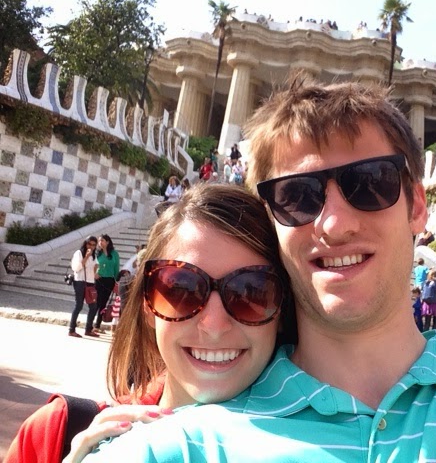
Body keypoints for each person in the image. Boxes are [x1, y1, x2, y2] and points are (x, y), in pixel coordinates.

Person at [85, 81, 436, 462]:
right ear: (271, 224)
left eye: (369, 184)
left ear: (417, 206)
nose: (334, 223)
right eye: (297, 197)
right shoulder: (177, 447)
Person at [5, 184, 295, 463]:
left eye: (251, 291)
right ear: (148, 305)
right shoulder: (53, 435)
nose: (214, 325)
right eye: (181, 288)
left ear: (282, 311)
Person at [68, 236, 99, 338]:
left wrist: (96, 270)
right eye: (89, 244)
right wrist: (86, 257)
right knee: (79, 305)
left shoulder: (94, 255)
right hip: (80, 281)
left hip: (90, 282)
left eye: (94, 245)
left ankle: (88, 329)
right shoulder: (79, 253)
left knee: (93, 306)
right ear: (85, 243)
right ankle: (71, 329)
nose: (91, 247)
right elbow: (76, 268)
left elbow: (95, 267)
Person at [92, 234, 120, 333]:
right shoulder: (97, 253)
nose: (100, 243)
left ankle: (97, 325)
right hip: (99, 279)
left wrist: (117, 281)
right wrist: (94, 274)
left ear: (107, 242)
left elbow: (116, 268)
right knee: (97, 302)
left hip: (110, 280)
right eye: (99, 241)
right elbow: (92, 265)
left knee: (103, 303)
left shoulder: (114, 254)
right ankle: (90, 324)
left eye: (102, 240)